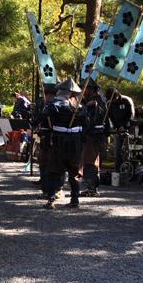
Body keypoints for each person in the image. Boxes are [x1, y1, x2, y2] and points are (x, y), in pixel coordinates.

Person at [41, 78, 87, 209]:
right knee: (74, 171)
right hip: (75, 142)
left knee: (54, 170)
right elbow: (86, 125)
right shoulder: (80, 109)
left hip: (59, 141)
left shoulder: (52, 105)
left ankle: (50, 199)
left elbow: (43, 118)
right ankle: (75, 200)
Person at [80, 79, 107, 197]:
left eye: (85, 88)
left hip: (93, 136)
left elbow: (91, 121)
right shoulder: (93, 101)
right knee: (90, 162)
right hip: (93, 136)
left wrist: (85, 107)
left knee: (91, 162)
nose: (83, 91)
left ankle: (92, 188)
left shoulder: (96, 102)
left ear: (90, 89)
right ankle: (91, 188)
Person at [33, 83, 57, 195]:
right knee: (50, 163)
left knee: (46, 162)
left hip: (49, 137)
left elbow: (36, 120)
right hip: (54, 137)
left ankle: (48, 189)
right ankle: (51, 188)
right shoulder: (56, 105)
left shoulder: (50, 106)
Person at [106, 88, 135, 172]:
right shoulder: (109, 103)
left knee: (127, 150)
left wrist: (124, 125)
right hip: (117, 129)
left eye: (114, 99)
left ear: (117, 96)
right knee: (117, 150)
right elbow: (110, 116)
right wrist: (115, 126)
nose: (113, 101)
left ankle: (127, 169)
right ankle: (117, 169)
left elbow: (130, 114)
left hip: (127, 128)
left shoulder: (126, 101)